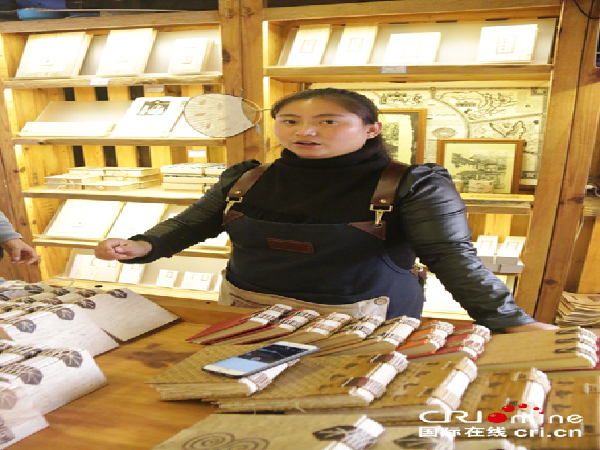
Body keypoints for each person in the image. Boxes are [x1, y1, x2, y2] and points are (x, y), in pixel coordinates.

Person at [95, 88, 556, 333]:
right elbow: (196, 221)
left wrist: (508, 321)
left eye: (327, 121)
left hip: (365, 324)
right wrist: (143, 245)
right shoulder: (249, 175)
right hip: (248, 312)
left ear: (371, 129)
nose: (306, 131)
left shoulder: (413, 183)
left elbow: (452, 257)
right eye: (290, 121)